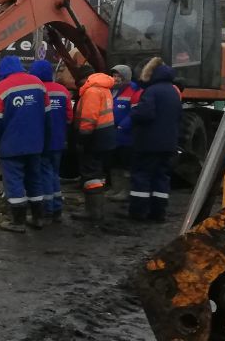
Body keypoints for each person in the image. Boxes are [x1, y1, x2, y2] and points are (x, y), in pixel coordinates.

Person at [0, 55, 47, 233]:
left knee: (14, 183)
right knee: (35, 180)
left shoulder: (2, 88)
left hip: (11, 147)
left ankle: (18, 222)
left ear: (2, 71)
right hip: (36, 145)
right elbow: (47, 115)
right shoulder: (38, 84)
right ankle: (38, 218)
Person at [129, 57, 183, 222]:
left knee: (142, 176)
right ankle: (158, 212)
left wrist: (134, 112)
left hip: (148, 143)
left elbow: (145, 114)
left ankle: (138, 212)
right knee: (161, 177)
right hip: (168, 144)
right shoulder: (174, 91)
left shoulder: (152, 91)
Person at [30, 59, 72, 223]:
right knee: (54, 173)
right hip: (59, 140)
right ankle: (57, 206)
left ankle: (48, 208)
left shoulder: (37, 90)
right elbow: (69, 117)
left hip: (42, 141)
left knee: (44, 174)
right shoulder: (63, 90)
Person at [74, 68, 117, 225]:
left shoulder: (92, 91)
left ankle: (93, 212)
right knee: (97, 174)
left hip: (94, 137)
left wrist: (82, 138)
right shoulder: (104, 89)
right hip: (105, 136)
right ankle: (95, 210)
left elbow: (89, 118)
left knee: (91, 175)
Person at [109, 64, 140, 200]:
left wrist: (123, 125)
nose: (116, 79)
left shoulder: (133, 90)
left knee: (125, 163)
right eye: (114, 76)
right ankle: (115, 189)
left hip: (127, 135)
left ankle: (125, 191)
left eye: (119, 76)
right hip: (113, 133)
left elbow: (135, 112)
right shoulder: (111, 90)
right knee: (114, 162)